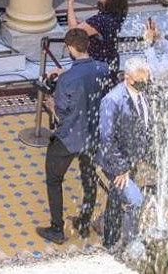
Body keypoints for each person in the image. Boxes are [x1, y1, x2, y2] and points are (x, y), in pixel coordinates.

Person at [36, 28, 110, 244]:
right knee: (89, 178)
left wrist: (50, 105)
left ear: (69, 48)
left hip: (69, 137)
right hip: (93, 136)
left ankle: (57, 229)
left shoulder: (66, 81)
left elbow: (61, 112)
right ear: (86, 46)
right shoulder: (102, 68)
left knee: (54, 179)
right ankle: (84, 221)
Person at [97, 57, 152, 250]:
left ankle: (109, 238)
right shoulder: (112, 101)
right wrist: (121, 169)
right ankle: (131, 245)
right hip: (115, 163)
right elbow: (107, 139)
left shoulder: (142, 91)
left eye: (146, 79)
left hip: (131, 161)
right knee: (136, 201)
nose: (145, 83)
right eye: (140, 80)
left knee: (116, 198)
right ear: (128, 78)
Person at [67, 0, 128, 80]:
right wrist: (85, 24)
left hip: (96, 66)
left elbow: (73, 33)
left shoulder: (101, 20)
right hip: (109, 61)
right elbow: (98, 29)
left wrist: (70, 2)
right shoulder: (117, 13)